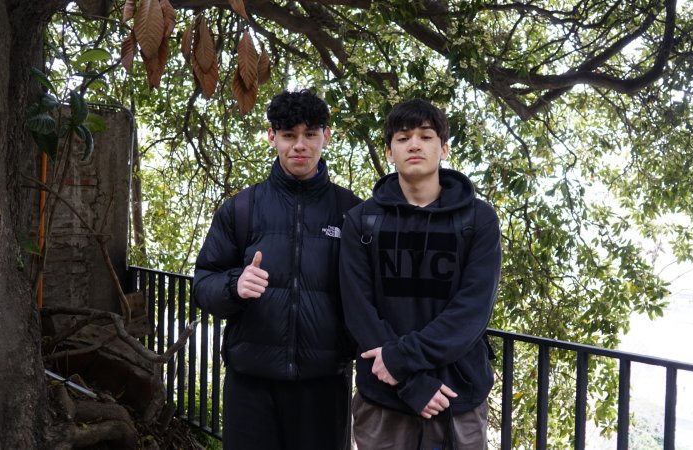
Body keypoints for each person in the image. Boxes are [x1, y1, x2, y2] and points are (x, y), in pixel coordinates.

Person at [193, 89, 361, 450]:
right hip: (251, 386)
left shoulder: (351, 212)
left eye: (310, 134)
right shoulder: (241, 208)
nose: (299, 145)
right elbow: (203, 284)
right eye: (288, 135)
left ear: (326, 136)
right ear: (272, 137)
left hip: (324, 388)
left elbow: (369, 297)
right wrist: (234, 285)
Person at [339, 98, 502, 449]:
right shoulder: (362, 220)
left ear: (444, 149)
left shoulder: (478, 219)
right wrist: (410, 383)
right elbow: (358, 310)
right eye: (403, 138)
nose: (414, 144)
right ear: (389, 152)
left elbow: (472, 311)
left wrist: (401, 359)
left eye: (426, 136)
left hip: (457, 397)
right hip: (383, 397)